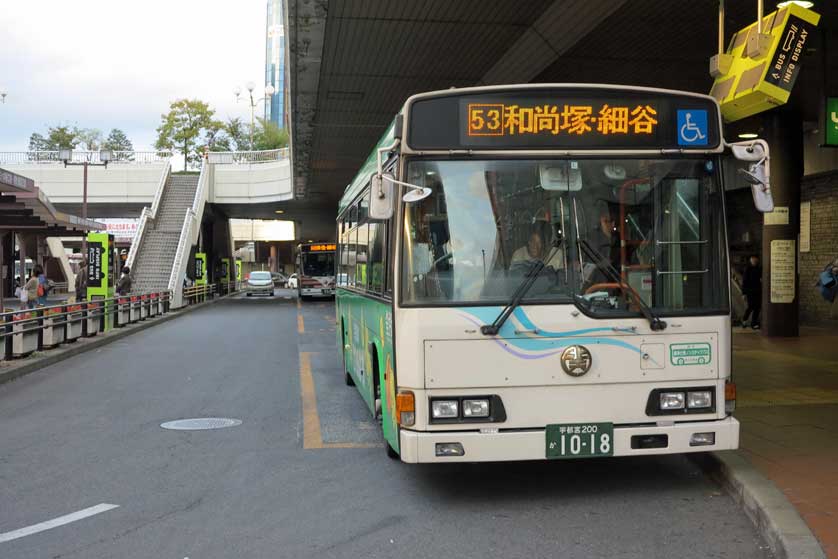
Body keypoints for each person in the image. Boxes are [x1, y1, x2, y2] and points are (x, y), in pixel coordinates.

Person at [741, 254, 762, 329]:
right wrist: (743, 293)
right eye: (752, 259)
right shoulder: (747, 269)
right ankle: (744, 320)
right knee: (751, 306)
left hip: (758, 291)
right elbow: (744, 282)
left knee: (757, 307)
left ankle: (754, 323)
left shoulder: (759, 268)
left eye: (755, 259)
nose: (754, 260)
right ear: (750, 260)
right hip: (750, 291)